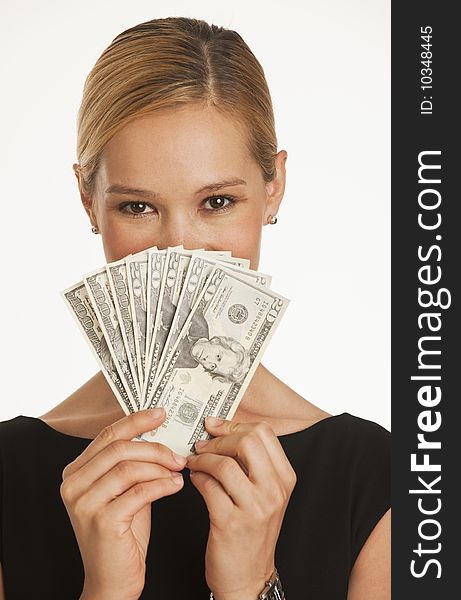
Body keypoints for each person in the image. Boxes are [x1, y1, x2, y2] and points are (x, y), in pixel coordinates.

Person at [0, 16, 390, 600]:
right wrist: (105, 590)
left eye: (217, 201)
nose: (179, 248)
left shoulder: (375, 481)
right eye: (137, 207)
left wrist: (253, 585)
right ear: (88, 200)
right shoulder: (7, 477)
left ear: (274, 188)